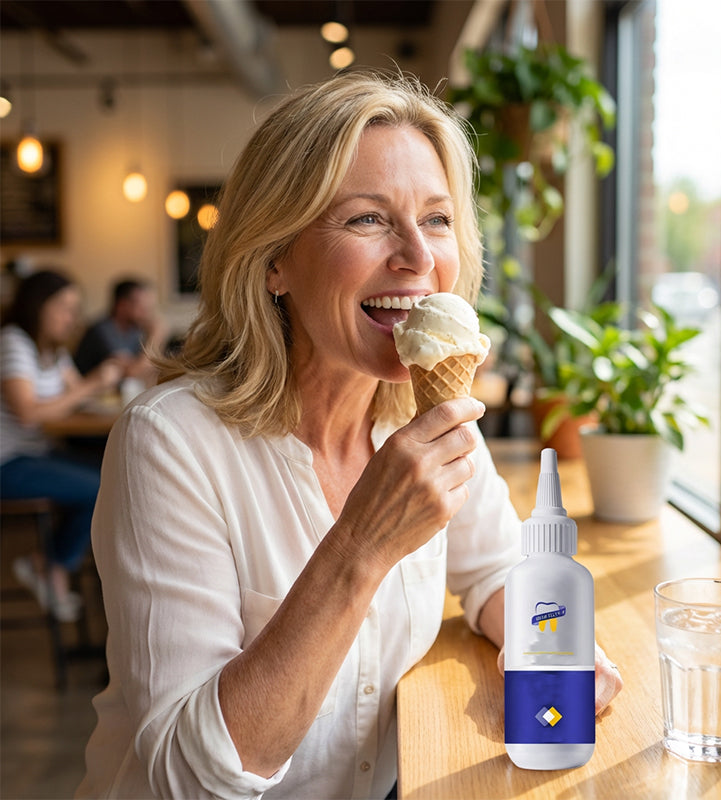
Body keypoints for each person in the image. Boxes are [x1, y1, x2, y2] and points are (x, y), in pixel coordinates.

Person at [77, 71, 622, 799]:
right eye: (368, 219)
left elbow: (497, 568)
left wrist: (551, 644)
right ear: (274, 258)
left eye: (437, 219)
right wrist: (363, 544)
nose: (418, 257)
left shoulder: (420, 417)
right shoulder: (169, 444)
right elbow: (188, 780)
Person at [0, 270, 123, 621]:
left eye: (75, 309)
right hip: (8, 461)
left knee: (116, 474)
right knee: (102, 486)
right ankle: (48, 565)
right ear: (38, 306)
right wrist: (93, 384)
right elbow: (28, 413)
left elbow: (76, 393)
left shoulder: (52, 351)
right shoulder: (14, 342)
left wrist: (108, 378)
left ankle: (57, 565)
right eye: (65, 308)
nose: (72, 318)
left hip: (37, 454)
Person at [74, 277, 167, 386]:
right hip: (92, 394)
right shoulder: (102, 331)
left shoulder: (134, 331)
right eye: (141, 307)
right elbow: (133, 372)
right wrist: (156, 335)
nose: (146, 314)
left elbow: (150, 369)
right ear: (122, 305)